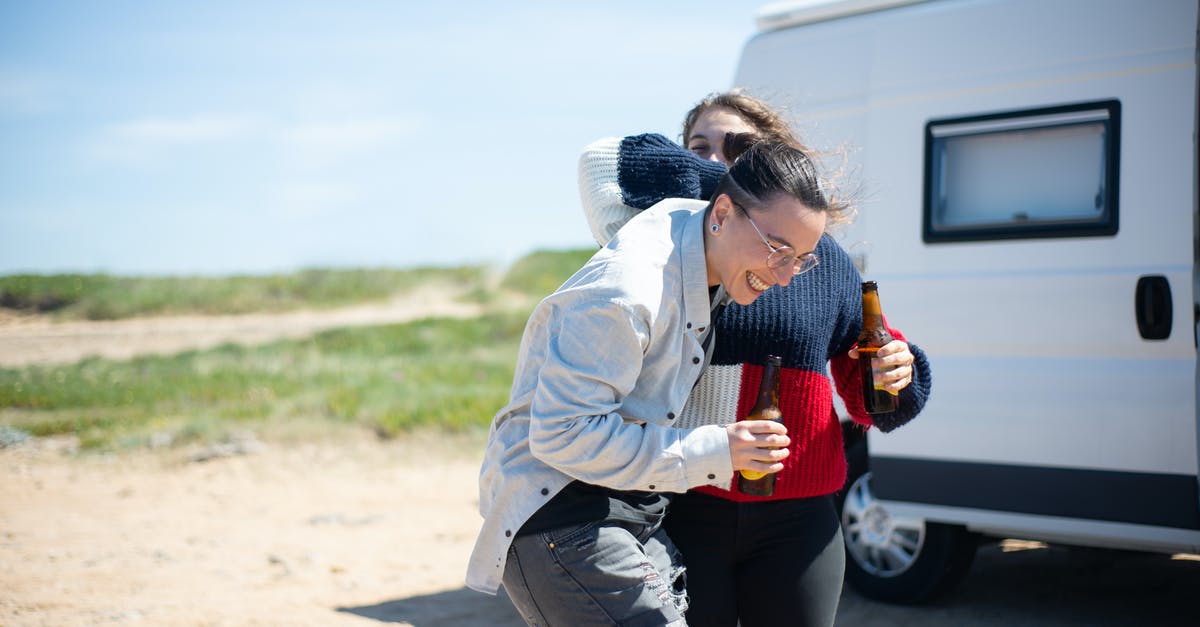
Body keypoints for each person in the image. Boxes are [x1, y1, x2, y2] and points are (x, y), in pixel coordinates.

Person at [576, 90, 933, 627]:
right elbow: (599, 164)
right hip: (680, 507)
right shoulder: (660, 250)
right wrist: (736, 187)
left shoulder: (820, 258)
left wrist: (897, 371)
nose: (715, 159)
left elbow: (875, 405)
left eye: (739, 148)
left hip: (800, 520)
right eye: (699, 148)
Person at [465, 139, 844, 626]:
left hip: (625, 510)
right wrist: (717, 450)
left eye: (802, 259)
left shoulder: (703, 249)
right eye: (778, 250)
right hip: (562, 517)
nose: (787, 276)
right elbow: (561, 434)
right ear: (722, 213)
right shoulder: (629, 291)